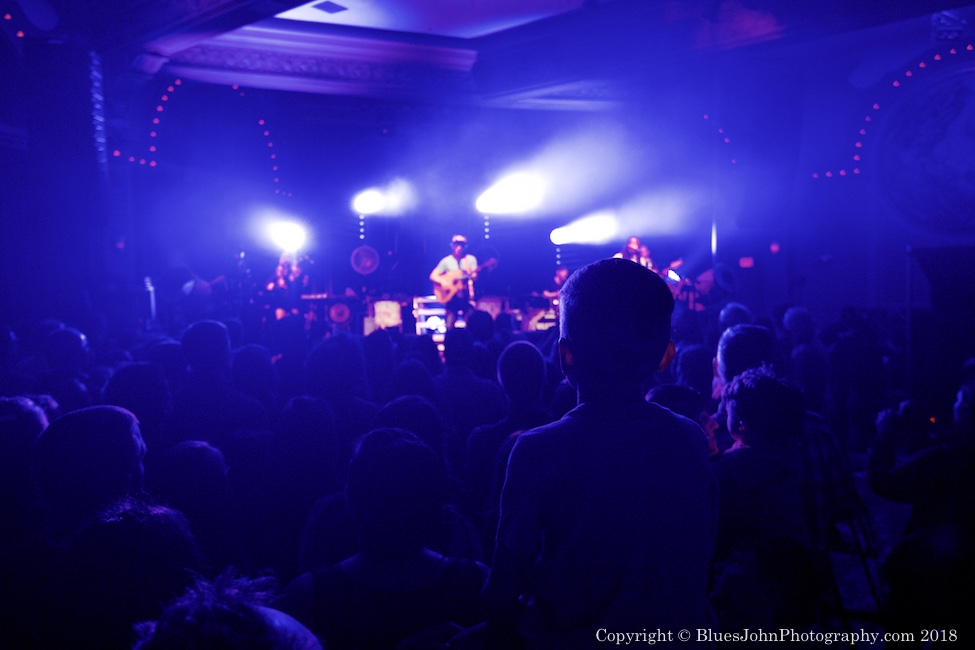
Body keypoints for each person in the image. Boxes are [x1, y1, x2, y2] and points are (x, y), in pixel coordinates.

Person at [483, 258, 717, 647]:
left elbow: (502, 594)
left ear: (566, 356)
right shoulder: (691, 438)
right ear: (665, 357)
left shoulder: (537, 451)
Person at [430, 235, 479, 329]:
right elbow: (433, 276)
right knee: (449, 324)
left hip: (466, 296)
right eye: (456, 245)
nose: (459, 247)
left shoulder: (470, 259)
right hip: (452, 297)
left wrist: (473, 275)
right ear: (452, 245)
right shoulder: (446, 261)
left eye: (461, 245)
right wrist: (444, 282)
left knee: (471, 323)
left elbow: (474, 276)